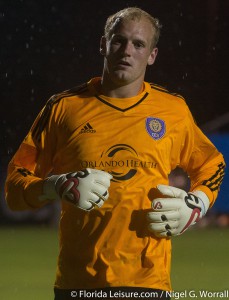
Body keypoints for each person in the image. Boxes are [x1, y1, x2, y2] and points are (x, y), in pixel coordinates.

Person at [5, 7, 225, 300]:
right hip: (78, 284)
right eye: (118, 41)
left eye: (138, 44)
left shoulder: (172, 110)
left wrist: (197, 204)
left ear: (152, 55)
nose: (127, 51)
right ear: (102, 44)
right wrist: (54, 186)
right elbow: (14, 187)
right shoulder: (63, 108)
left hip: (148, 283)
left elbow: (212, 164)